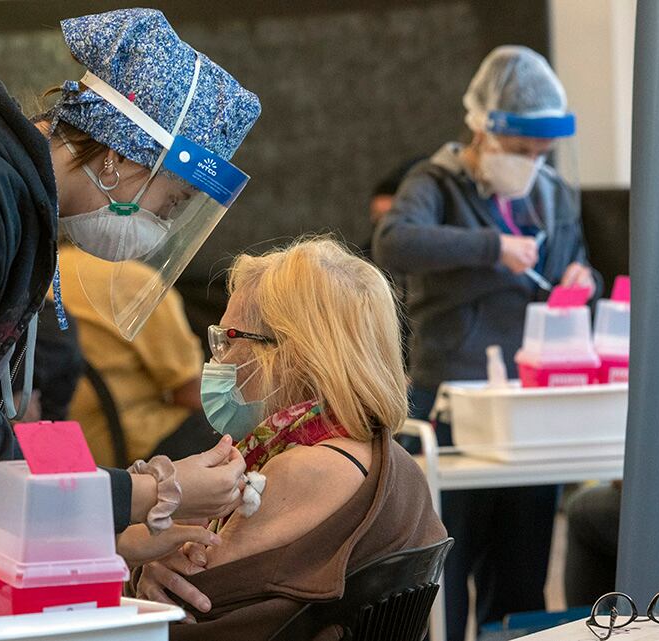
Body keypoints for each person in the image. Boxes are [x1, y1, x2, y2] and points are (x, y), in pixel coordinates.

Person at [0, 8, 261, 549]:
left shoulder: (8, 199)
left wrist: (121, 542)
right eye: (173, 201)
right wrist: (154, 494)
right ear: (119, 157)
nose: (161, 226)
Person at [373, 46, 599, 641]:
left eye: (541, 153)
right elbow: (393, 243)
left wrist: (584, 280)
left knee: (521, 569)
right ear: (483, 127)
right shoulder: (436, 183)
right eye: (521, 151)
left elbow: (573, 264)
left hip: (525, 403)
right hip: (449, 395)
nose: (531, 164)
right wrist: (491, 247)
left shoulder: (552, 195)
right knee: (445, 566)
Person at [128, 238, 445, 640]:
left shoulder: (300, 469)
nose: (217, 359)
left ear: (288, 354)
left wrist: (140, 566)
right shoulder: (389, 457)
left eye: (228, 339)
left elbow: (190, 603)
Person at [58, 242, 220, 467]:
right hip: (129, 449)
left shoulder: (43, 271)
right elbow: (193, 394)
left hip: (56, 448)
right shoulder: (135, 281)